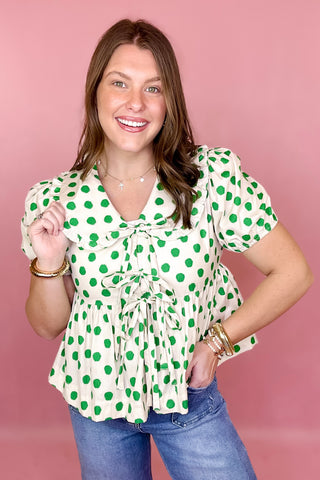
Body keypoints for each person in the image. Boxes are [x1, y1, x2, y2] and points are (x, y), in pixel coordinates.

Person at [21, 19, 313, 480]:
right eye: (120, 83)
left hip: (187, 398)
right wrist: (50, 260)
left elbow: (293, 271)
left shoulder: (209, 180)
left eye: (153, 88)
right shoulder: (57, 201)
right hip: (96, 406)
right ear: (95, 91)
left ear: (169, 101)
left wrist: (219, 340)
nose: (135, 103)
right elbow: (46, 325)